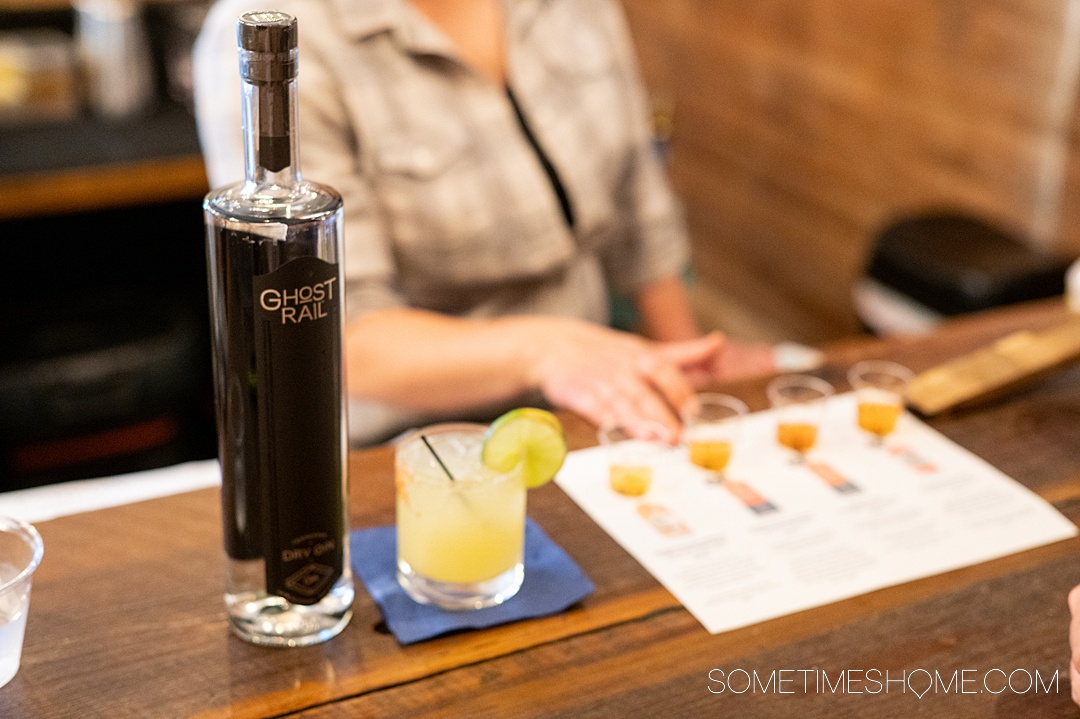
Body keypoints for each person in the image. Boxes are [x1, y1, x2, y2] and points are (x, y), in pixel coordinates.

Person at [193, 0, 798, 446]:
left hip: (590, 416)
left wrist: (684, 372)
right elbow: (338, 338)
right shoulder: (272, 37)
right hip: (410, 445)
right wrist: (546, 349)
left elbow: (640, 212)